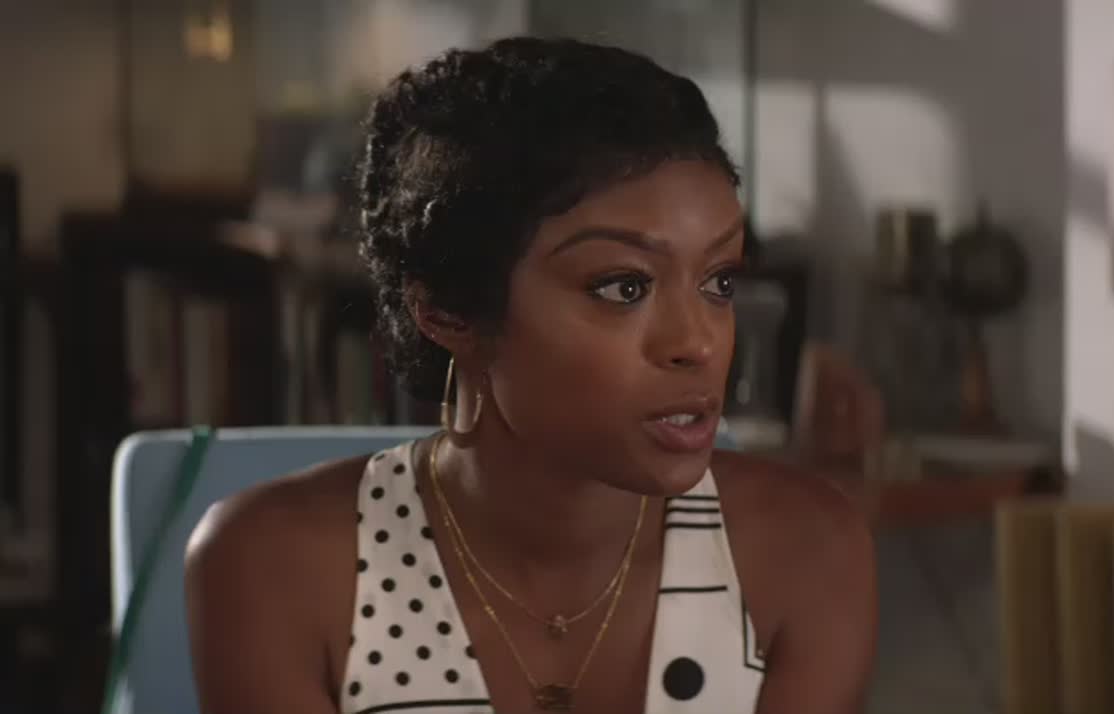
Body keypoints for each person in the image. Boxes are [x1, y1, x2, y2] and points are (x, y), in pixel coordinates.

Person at [185, 36, 876, 714]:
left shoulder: (805, 555)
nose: (698, 343)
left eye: (719, 281)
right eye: (624, 287)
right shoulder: (278, 568)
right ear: (448, 309)